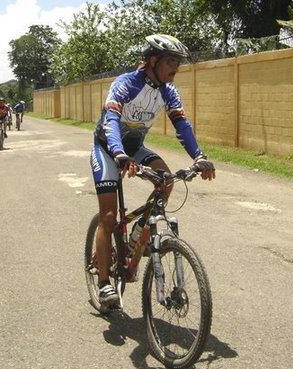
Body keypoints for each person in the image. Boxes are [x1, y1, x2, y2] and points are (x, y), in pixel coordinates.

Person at [90, 34, 216, 305]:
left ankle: (138, 235)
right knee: (109, 215)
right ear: (152, 60)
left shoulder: (168, 91)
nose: (176, 68)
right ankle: (102, 282)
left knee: (167, 180)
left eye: (178, 63)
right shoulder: (125, 84)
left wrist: (199, 156)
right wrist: (118, 153)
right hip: (108, 148)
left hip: (134, 147)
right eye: (172, 61)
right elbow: (111, 119)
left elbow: (182, 125)